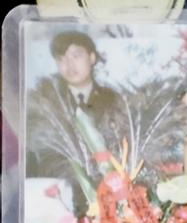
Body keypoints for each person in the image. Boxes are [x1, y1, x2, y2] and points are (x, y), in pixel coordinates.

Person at [26, 30, 124, 211]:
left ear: (92, 58)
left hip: (110, 194)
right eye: (61, 59)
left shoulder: (114, 100)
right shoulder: (46, 103)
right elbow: (42, 155)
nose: (69, 65)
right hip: (62, 195)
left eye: (76, 55)